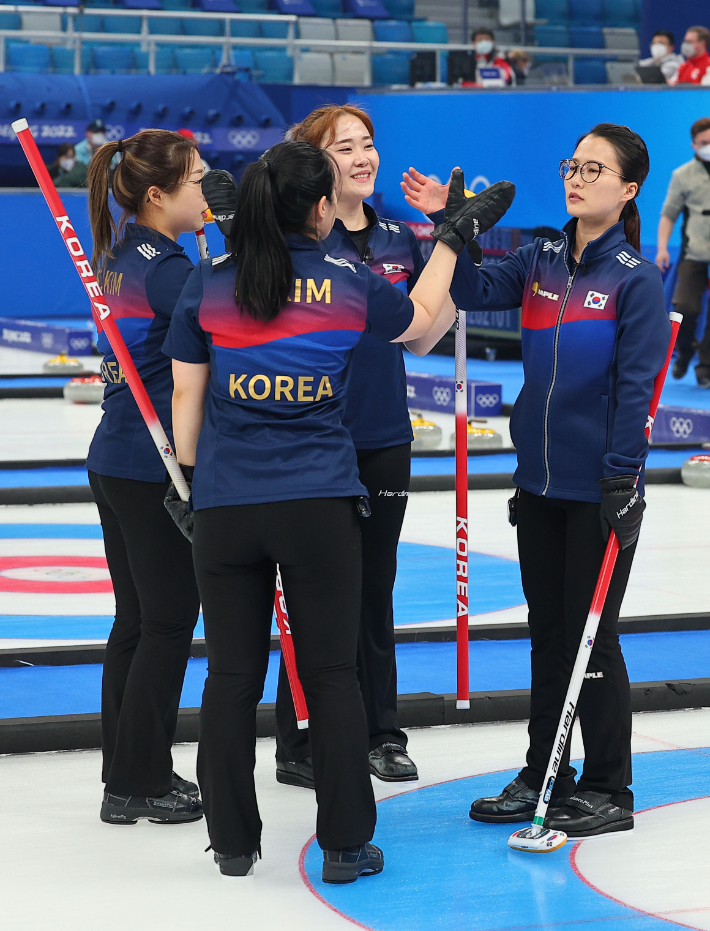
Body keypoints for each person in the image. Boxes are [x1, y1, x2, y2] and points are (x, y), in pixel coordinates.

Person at [162, 140, 512, 880]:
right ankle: (347, 844)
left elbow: (186, 397)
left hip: (227, 504)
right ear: (322, 209)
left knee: (229, 676)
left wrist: (189, 484)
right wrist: (450, 239)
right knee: (330, 673)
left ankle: (231, 843)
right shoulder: (347, 277)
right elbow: (421, 323)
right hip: (318, 501)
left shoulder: (209, 281)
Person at [403, 123, 670, 838]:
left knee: (594, 638)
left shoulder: (635, 280)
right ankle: (542, 772)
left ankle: (611, 786)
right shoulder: (539, 259)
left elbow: (638, 387)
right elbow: (469, 289)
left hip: (599, 491)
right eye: (572, 166)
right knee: (548, 636)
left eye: (594, 169)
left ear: (629, 188)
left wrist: (622, 482)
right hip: (540, 488)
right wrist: (449, 227)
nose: (577, 178)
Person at [266, 104, 458, 790]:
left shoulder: (399, 239)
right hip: (311, 440)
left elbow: (424, 333)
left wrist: (448, 240)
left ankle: (382, 730)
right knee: (311, 589)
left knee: (375, 588)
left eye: (368, 144)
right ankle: (300, 734)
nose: (362, 157)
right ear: (316, 163)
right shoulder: (295, 242)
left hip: (381, 436)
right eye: (345, 147)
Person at [85, 129, 207, 825]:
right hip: (151, 461)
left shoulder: (125, 255)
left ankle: (125, 767)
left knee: (134, 621)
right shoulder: (169, 271)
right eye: (197, 179)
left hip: (115, 455)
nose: (206, 189)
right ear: (158, 195)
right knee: (164, 622)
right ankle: (139, 780)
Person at [655, 116, 710, 387]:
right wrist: (663, 248)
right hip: (694, 253)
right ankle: (685, 350)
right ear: (693, 145)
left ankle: (705, 368)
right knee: (685, 307)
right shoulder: (682, 175)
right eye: (704, 143)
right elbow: (668, 215)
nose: (709, 146)